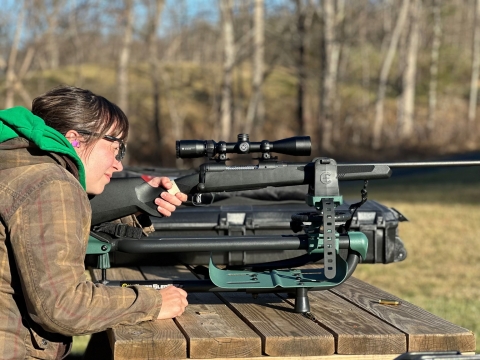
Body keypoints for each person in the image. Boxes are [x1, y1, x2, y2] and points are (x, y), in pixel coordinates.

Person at [0, 85, 188, 359]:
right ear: (74, 140)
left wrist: (139, 205)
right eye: (115, 147)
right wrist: (154, 302)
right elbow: (64, 308)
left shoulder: (15, 166)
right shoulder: (52, 184)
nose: (118, 164)